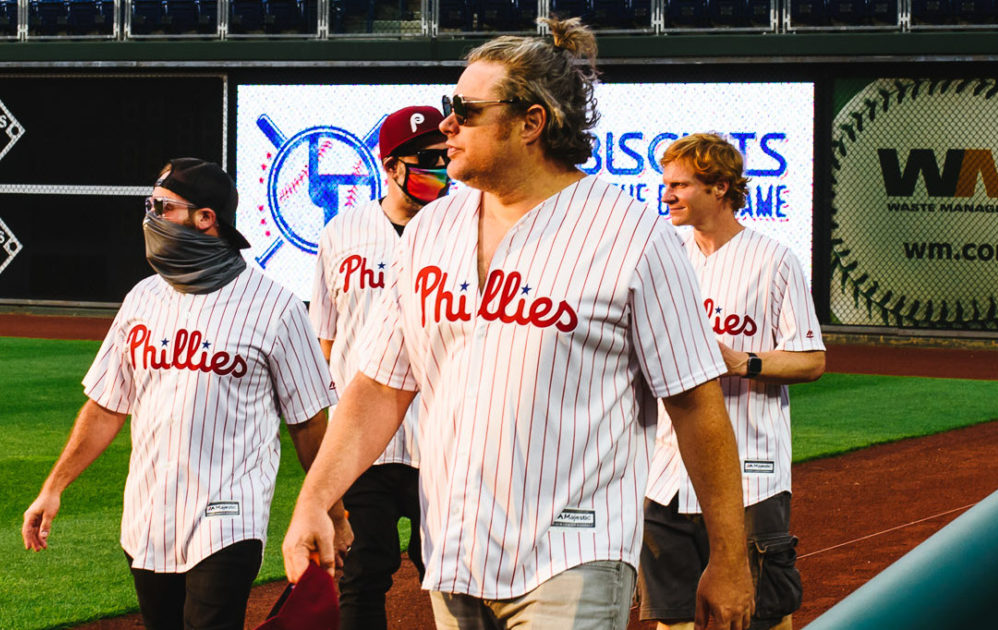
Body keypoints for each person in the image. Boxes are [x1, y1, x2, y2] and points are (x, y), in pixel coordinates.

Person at [282, 18, 755, 630]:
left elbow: (695, 402)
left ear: (531, 123)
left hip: (574, 554)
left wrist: (730, 558)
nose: (445, 123)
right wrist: (316, 498)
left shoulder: (632, 236)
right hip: (454, 551)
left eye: (465, 110)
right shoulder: (430, 231)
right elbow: (378, 386)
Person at [21, 158, 347, 630]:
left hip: (229, 517)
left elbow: (308, 423)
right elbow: (107, 406)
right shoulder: (143, 298)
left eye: (163, 206)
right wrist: (53, 489)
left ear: (206, 218)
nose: (150, 216)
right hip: (148, 513)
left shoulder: (275, 307)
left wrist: (332, 510)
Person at [641, 133, 826, 630]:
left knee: (761, 615)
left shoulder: (772, 260)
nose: (668, 194)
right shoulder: (664, 257)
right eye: (666, 184)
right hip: (664, 471)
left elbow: (810, 360)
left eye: (680, 184)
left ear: (720, 187)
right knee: (673, 618)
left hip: (752, 472)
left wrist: (738, 361)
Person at [309, 105, 450, 630]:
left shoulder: (464, 233)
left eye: (443, 156)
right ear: (391, 166)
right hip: (366, 437)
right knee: (364, 571)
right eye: (426, 159)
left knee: (451, 568)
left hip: (441, 436)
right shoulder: (342, 233)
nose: (439, 168)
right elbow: (326, 340)